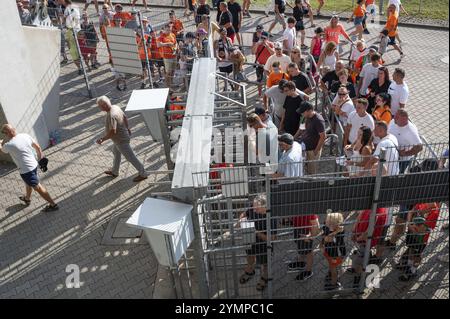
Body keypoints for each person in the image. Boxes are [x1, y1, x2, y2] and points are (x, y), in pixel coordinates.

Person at [0, 124, 59, 212]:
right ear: (14, 129)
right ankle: (27, 199)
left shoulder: (9, 145)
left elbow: (1, 151)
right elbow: (38, 147)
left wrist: (0, 144)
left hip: (26, 170)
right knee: (28, 183)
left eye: (3, 133)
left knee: (37, 187)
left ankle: (53, 205)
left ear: (6, 134)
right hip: (34, 164)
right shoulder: (25, 135)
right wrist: (40, 159)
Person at [95, 96, 148, 182]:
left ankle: (143, 173)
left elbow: (113, 131)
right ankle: (115, 171)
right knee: (116, 153)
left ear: (104, 105)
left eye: (99, 106)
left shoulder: (111, 115)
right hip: (121, 137)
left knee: (131, 157)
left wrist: (102, 139)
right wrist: (127, 128)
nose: (99, 108)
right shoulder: (115, 107)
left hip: (121, 140)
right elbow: (125, 117)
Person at [238, 195, 277, 291]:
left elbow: (272, 238)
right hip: (250, 238)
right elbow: (244, 214)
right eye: (253, 207)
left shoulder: (271, 216)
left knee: (265, 262)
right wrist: (241, 220)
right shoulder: (253, 208)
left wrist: (256, 232)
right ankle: (250, 271)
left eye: (257, 208)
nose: (254, 210)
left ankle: (264, 277)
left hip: (264, 244)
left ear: (265, 206)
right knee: (250, 254)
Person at [350, 207, 388, 289]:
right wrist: (354, 230)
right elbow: (360, 215)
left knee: (359, 260)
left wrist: (358, 238)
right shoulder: (370, 206)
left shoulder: (379, 212)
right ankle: (361, 266)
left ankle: (358, 279)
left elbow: (368, 232)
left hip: (365, 241)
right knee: (360, 256)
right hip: (360, 237)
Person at [295, 101, 326, 175]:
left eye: (303, 112)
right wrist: (292, 138)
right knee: (305, 168)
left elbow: (323, 137)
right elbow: (301, 129)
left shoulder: (318, 120)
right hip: (305, 147)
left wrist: (316, 151)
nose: (302, 114)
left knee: (312, 172)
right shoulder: (306, 117)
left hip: (313, 149)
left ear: (309, 110)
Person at [289, 212, 320, 281]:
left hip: (306, 232)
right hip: (298, 228)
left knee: (308, 252)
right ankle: (301, 262)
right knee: (300, 246)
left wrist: (310, 236)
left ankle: (308, 271)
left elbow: (316, 225)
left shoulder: (310, 212)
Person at [321, 212, 346, 290]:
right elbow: (324, 237)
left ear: (335, 224)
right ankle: (330, 273)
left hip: (336, 253)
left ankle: (334, 283)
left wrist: (335, 232)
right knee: (331, 264)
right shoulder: (326, 227)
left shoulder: (340, 231)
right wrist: (322, 244)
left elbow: (328, 238)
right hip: (329, 250)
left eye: (328, 221)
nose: (325, 222)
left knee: (333, 267)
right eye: (326, 220)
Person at [253, 30, 274, 97]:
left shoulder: (270, 44)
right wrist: (256, 44)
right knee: (259, 80)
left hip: (268, 65)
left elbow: (273, 53)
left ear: (267, 38)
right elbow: (253, 52)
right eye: (262, 37)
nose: (263, 39)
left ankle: (268, 94)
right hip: (259, 65)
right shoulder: (258, 44)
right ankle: (259, 94)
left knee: (269, 80)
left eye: (264, 38)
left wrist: (267, 46)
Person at [157, 23, 178, 88]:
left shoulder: (172, 34)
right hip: (167, 57)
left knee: (173, 70)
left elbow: (176, 43)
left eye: (169, 30)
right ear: (164, 29)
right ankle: (167, 85)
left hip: (174, 55)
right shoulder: (161, 36)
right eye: (167, 30)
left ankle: (171, 82)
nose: (168, 31)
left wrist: (176, 48)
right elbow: (158, 45)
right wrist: (167, 44)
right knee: (168, 72)